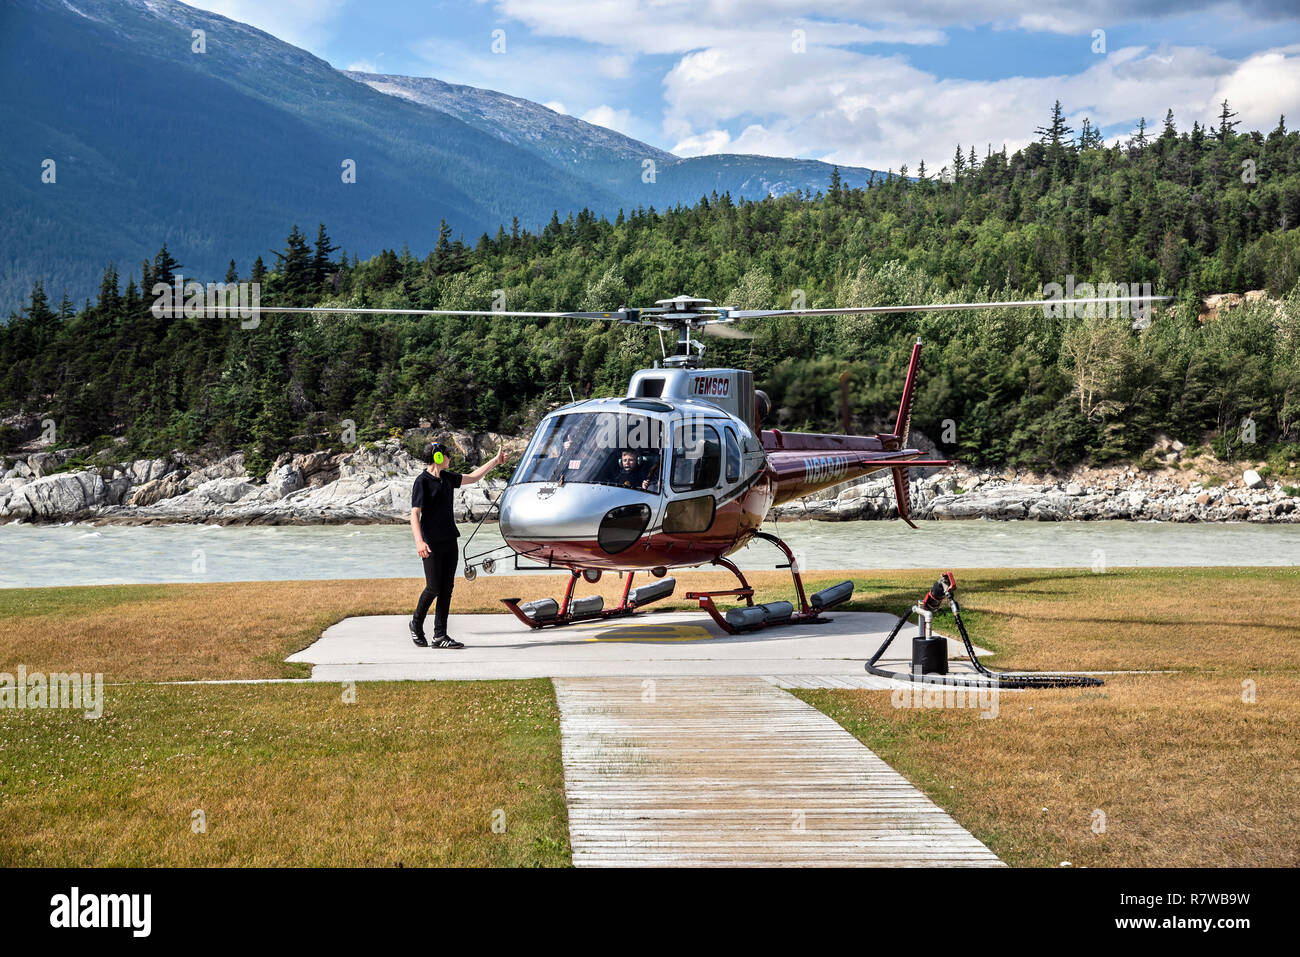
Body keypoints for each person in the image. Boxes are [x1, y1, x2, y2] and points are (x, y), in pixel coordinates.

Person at [409, 441, 508, 648]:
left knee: (446, 589)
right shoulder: (422, 482)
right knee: (433, 587)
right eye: (447, 455)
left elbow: (473, 477)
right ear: (437, 457)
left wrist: (495, 462)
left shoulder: (447, 478)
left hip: (449, 540)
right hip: (431, 543)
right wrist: (419, 541)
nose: (450, 458)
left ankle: (440, 636)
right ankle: (416, 624)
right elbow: (414, 514)